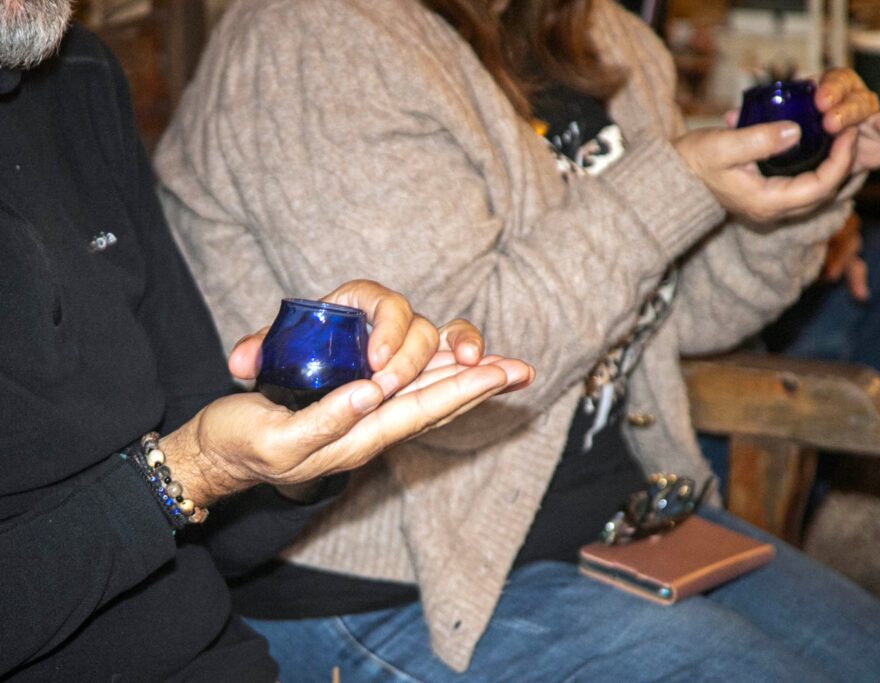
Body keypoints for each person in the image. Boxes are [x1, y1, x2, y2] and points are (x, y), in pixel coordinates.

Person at [155, 0, 880, 679]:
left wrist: (792, 189)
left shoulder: (610, 37)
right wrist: (676, 184)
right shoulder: (314, 35)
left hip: (629, 529)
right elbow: (450, 382)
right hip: (392, 588)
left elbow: (675, 311)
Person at [0, 2, 532, 680]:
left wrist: (312, 426)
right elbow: (178, 475)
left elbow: (220, 538)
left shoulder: (76, 75)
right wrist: (184, 474)